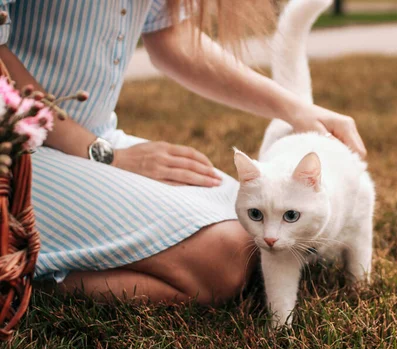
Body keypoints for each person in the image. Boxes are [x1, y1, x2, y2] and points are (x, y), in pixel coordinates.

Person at [0, 0, 366, 304]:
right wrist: (103, 154)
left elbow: (173, 37)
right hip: (16, 148)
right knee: (221, 258)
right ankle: (23, 279)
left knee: (247, 225)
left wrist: (296, 110)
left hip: (98, 138)